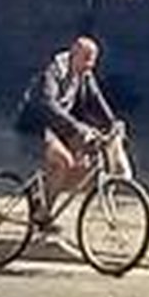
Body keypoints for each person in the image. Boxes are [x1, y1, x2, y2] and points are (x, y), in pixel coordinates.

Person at [14, 32, 120, 223]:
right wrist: (78, 127)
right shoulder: (53, 70)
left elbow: (95, 99)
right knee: (64, 161)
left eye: (93, 60)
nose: (90, 65)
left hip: (59, 127)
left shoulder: (84, 74)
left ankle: (47, 192)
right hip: (36, 128)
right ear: (74, 54)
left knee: (87, 161)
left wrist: (112, 123)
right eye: (86, 59)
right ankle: (43, 213)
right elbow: (48, 104)